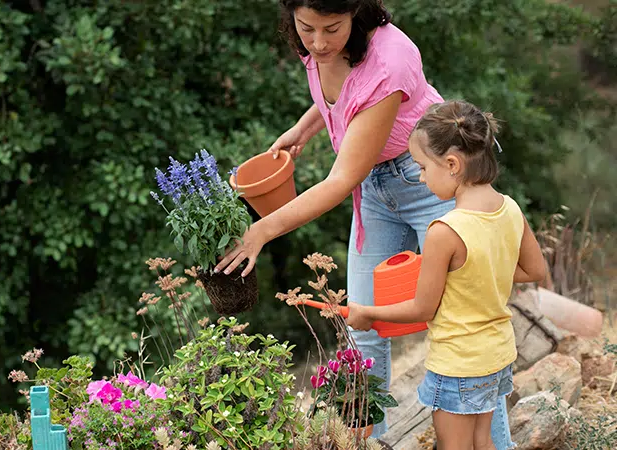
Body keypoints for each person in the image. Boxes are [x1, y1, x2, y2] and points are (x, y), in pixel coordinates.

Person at [212, 1, 515, 447]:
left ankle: (499, 444)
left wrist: (261, 230)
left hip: (431, 178)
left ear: (355, 12)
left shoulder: (390, 58)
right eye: (305, 28)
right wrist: (304, 127)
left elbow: (341, 178)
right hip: (375, 189)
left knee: (462, 320)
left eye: (331, 29)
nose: (318, 42)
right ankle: (364, 442)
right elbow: (340, 95)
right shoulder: (313, 45)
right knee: (360, 325)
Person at [345, 100, 546, 450]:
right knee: (484, 442)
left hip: (458, 364)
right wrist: (483, 269)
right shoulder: (509, 208)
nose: (420, 178)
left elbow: (423, 310)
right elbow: (535, 269)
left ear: (452, 164)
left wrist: (368, 313)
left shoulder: (445, 231)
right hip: (497, 356)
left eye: (422, 168)